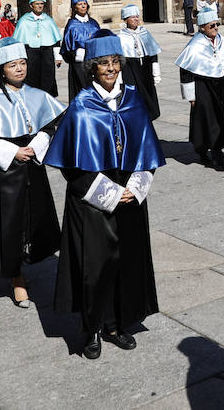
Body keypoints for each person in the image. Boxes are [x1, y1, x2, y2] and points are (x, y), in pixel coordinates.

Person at [45, 29, 165, 360]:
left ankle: (116, 324)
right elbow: (72, 169)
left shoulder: (134, 101)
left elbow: (147, 153)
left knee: (126, 261)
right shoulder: (81, 107)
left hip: (130, 196)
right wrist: (111, 193)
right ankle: (92, 329)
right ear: (93, 68)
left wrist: (136, 187)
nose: (111, 69)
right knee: (95, 265)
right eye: (104, 64)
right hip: (94, 201)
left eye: (115, 62)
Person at [0, 38, 65, 308]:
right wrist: (13, 152)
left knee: (34, 217)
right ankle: (16, 277)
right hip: (4, 173)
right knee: (9, 224)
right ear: (2, 69)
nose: (20, 69)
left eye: (23, 63)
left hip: (32, 165)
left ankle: (33, 255)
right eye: (13, 65)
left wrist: (35, 147)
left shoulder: (36, 94)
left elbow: (50, 125)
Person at [176, 5, 224, 170]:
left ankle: (217, 151)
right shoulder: (195, 44)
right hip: (202, 88)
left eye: (217, 24)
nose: (216, 28)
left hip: (220, 87)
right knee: (205, 120)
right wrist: (190, 96)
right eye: (212, 25)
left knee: (219, 119)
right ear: (203, 27)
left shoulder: (221, 41)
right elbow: (186, 70)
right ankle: (203, 150)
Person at [117, 4, 163, 120]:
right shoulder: (121, 37)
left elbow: (153, 54)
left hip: (145, 70)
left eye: (137, 16)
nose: (136, 19)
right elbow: (118, 59)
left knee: (149, 98)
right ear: (126, 19)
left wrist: (156, 71)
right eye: (132, 17)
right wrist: (119, 78)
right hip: (130, 70)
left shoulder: (144, 33)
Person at [13, 0, 62, 96]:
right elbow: (19, 41)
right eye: (37, 3)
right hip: (31, 54)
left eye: (41, 3)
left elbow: (56, 41)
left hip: (47, 54)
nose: (40, 6)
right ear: (31, 5)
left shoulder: (48, 20)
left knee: (48, 79)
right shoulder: (24, 21)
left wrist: (58, 57)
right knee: (32, 79)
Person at [61, 0, 101, 98]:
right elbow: (67, 48)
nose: (83, 6)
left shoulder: (94, 23)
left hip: (94, 62)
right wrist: (77, 54)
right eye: (79, 4)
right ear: (74, 7)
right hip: (79, 66)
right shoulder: (71, 25)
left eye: (84, 4)